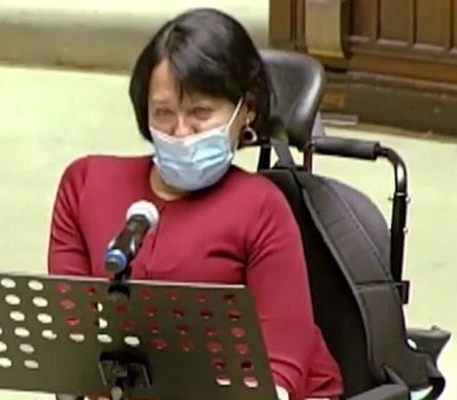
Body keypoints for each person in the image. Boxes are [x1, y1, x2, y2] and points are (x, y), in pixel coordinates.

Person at [48, 8, 343, 400]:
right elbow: (75, 345)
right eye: (163, 113)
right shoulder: (85, 185)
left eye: (200, 112)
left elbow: (282, 369)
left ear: (246, 111)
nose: (181, 131)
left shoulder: (262, 208)